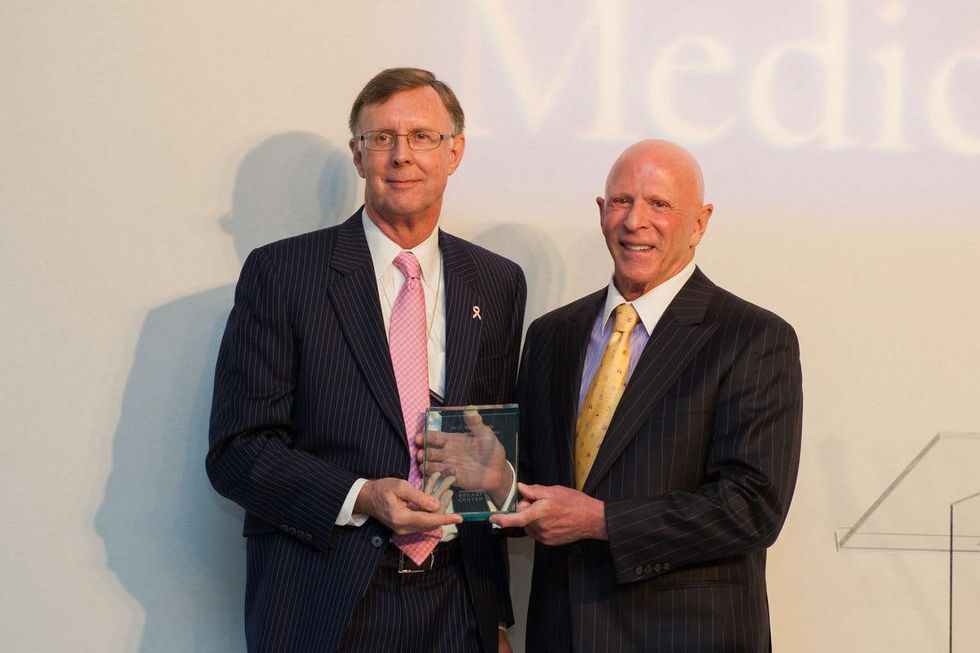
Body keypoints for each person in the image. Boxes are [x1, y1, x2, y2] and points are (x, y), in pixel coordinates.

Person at [207, 68, 526, 653]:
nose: (402, 155)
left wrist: (496, 617)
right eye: (381, 138)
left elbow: (486, 452)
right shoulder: (283, 275)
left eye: (422, 137)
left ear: (454, 151)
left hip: (458, 607)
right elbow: (237, 453)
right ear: (358, 155)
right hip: (325, 605)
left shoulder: (498, 281)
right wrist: (360, 496)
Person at [492, 140, 803, 652]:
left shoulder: (753, 337)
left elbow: (753, 506)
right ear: (601, 212)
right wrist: (493, 482)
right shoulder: (551, 335)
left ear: (700, 222)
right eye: (620, 201)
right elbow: (539, 487)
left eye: (660, 204)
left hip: (688, 638)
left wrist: (599, 520)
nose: (635, 221)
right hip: (562, 633)